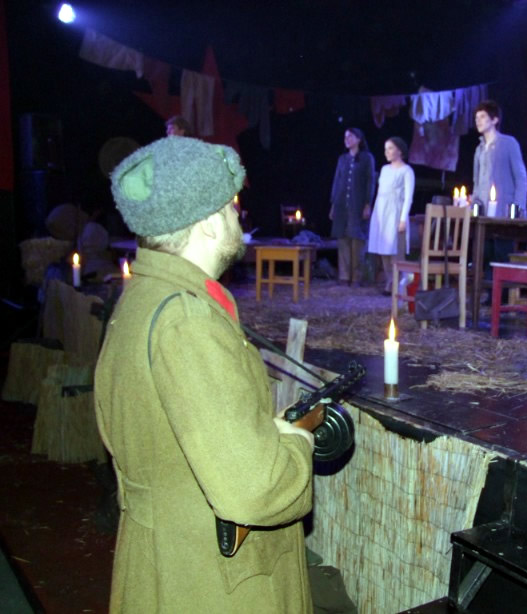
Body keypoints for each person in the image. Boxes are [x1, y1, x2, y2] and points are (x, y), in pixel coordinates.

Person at [95, 137, 315, 612]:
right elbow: (255, 489)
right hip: (208, 582)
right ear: (210, 224)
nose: (237, 215)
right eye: (230, 207)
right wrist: (296, 445)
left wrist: (261, 432)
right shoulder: (187, 322)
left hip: (166, 562)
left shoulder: (146, 296)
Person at [368, 137, 415, 295]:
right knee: (383, 249)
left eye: (390, 148)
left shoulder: (406, 171)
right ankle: (389, 281)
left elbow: (408, 197)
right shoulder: (384, 169)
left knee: (394, 249)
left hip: (395, 213)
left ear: (399, 151)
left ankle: (398, 283)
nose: (386, 152)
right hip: (381, 212)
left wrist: (403, 219)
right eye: (385, 149)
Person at [330, 127, 376, 286]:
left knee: (357, 240)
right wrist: (333, 204)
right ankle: (344, 275)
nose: (347, 139)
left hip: (358, 204)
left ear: (359, 139)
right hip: (342, 204)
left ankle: (356, 276)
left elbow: (370, 181)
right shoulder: (342, 159)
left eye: (350, 136)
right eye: (345, 137)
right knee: (343, 238)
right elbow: (337, 181)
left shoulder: (367, 158)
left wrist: (367, 204)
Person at [472, 100, 527, 215]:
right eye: (476, 118)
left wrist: (518, 207)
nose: (478, 121)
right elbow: (476, 183)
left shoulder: (509, 143)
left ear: (494, 120)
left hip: (503, 211)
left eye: (482, 116)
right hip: (483, 212)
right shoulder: (479, 149)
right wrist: (474, 205)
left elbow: (520, 178)